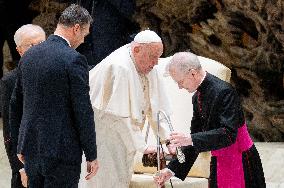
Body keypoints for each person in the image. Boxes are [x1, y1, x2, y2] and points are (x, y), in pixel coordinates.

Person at [9, 4, 99, 188]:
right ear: (76, 28)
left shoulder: (28, 56)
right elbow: (82, 111)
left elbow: (15, 104)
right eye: (84, 34)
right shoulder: (74, 59)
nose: (82, 40)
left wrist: (20, 144)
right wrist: (91, 154)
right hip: (62, 152)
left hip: (31, 148)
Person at [154, 52, 266, 188]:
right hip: (219, 161)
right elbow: (195, 138)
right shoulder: (197, 97)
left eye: (180, 81)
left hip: (241, 161)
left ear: (193, 73)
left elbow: (229, 134)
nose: (180, 86)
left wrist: (190, 138)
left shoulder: (225, 91)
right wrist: (171, 170)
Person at [79, 29, 171, 188]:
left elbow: (157, 107)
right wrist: (143, 146)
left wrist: (168, 139)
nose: (156, 63)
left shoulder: (149, 66)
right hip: (104, 137)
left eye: (158, 57)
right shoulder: (119, 67)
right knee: (103, 181)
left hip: (125, 138)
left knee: (121, 180)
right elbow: (119, 116)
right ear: (136, 49)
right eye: (153, 57)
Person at [0, 24, 46, 188]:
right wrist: (21, 168)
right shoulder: (10, 82)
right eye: (31, 46)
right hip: (26, 161)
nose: (38, 49)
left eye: (41, 44)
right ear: (19, 51)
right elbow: (10, 132)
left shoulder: (60, 71)